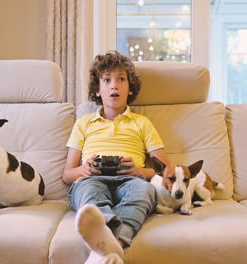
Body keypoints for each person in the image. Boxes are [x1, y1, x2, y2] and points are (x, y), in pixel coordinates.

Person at [62, 50, 171, 264]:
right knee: (88, 192)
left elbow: (166, 171)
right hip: (91, 179)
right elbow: (67, 174)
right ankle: (113, 245)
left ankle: (107, 246)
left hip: (132, 180)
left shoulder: (142, 123)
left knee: (144, 191)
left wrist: (139, 171)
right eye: (106, 80)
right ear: (97, 89)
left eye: (121, 79)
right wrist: (83, 170)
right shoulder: (83, 123)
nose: (114, 85)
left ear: (130, 89)